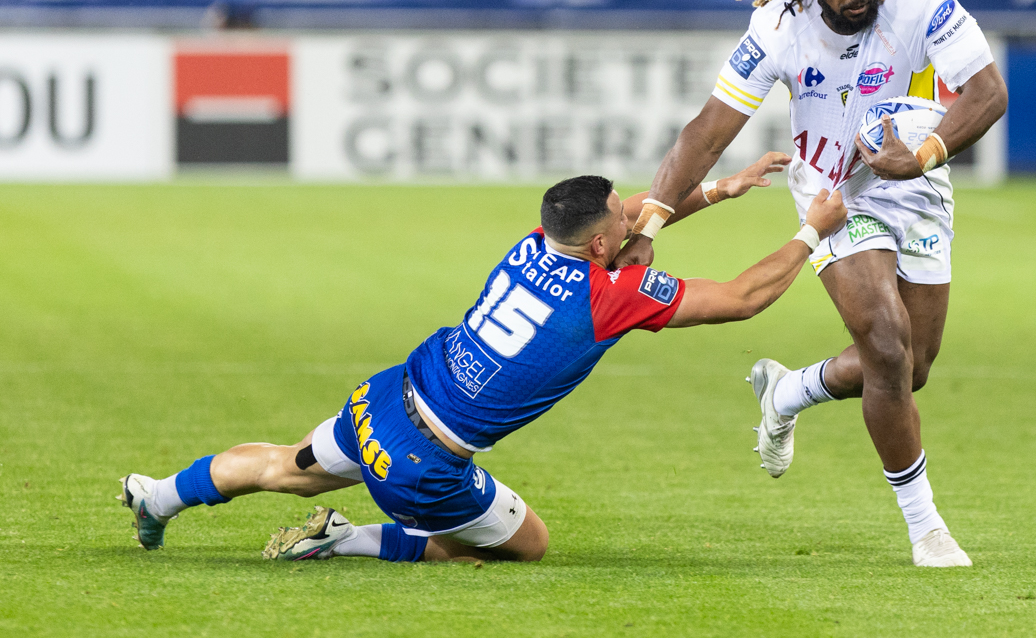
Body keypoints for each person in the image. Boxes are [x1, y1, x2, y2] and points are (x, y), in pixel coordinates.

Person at [118, 154, 846, 564]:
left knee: (284, 467)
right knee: (525, 547)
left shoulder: (535, 240)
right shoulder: (610, 298)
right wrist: (814, 230)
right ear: (602, 245)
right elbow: (747, 296)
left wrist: (718, 190)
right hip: (424, 466)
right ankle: (350, 542)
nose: (634, 217)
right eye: (624, 221)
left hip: (385, 396)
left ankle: (160, 496)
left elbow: (616, 220)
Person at [614, 0, 1007, 567]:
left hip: (915, 182)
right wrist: (649, 224)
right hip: (832, 193)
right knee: (885, 343)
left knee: (911, 368)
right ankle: (927, 530)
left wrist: (923, 157)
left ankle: (789, 390)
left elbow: (986, 92)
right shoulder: (776, 25)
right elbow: (707, 130)